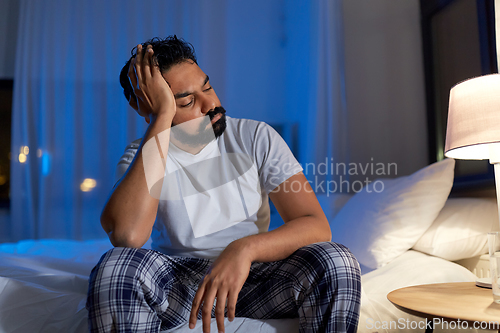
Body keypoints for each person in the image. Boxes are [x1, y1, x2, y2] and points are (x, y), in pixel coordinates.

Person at [86, 36, 361, 333]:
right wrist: (161, 117)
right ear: (146, 106)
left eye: (207, 87)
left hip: (254, 277)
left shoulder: (256, 136)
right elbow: (127, 237)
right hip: (183, 283)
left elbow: (316, 225)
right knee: (115, 267)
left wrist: (244, 249)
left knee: (338, 261)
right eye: (187, 101)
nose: (211, 104)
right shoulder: (142, 154)